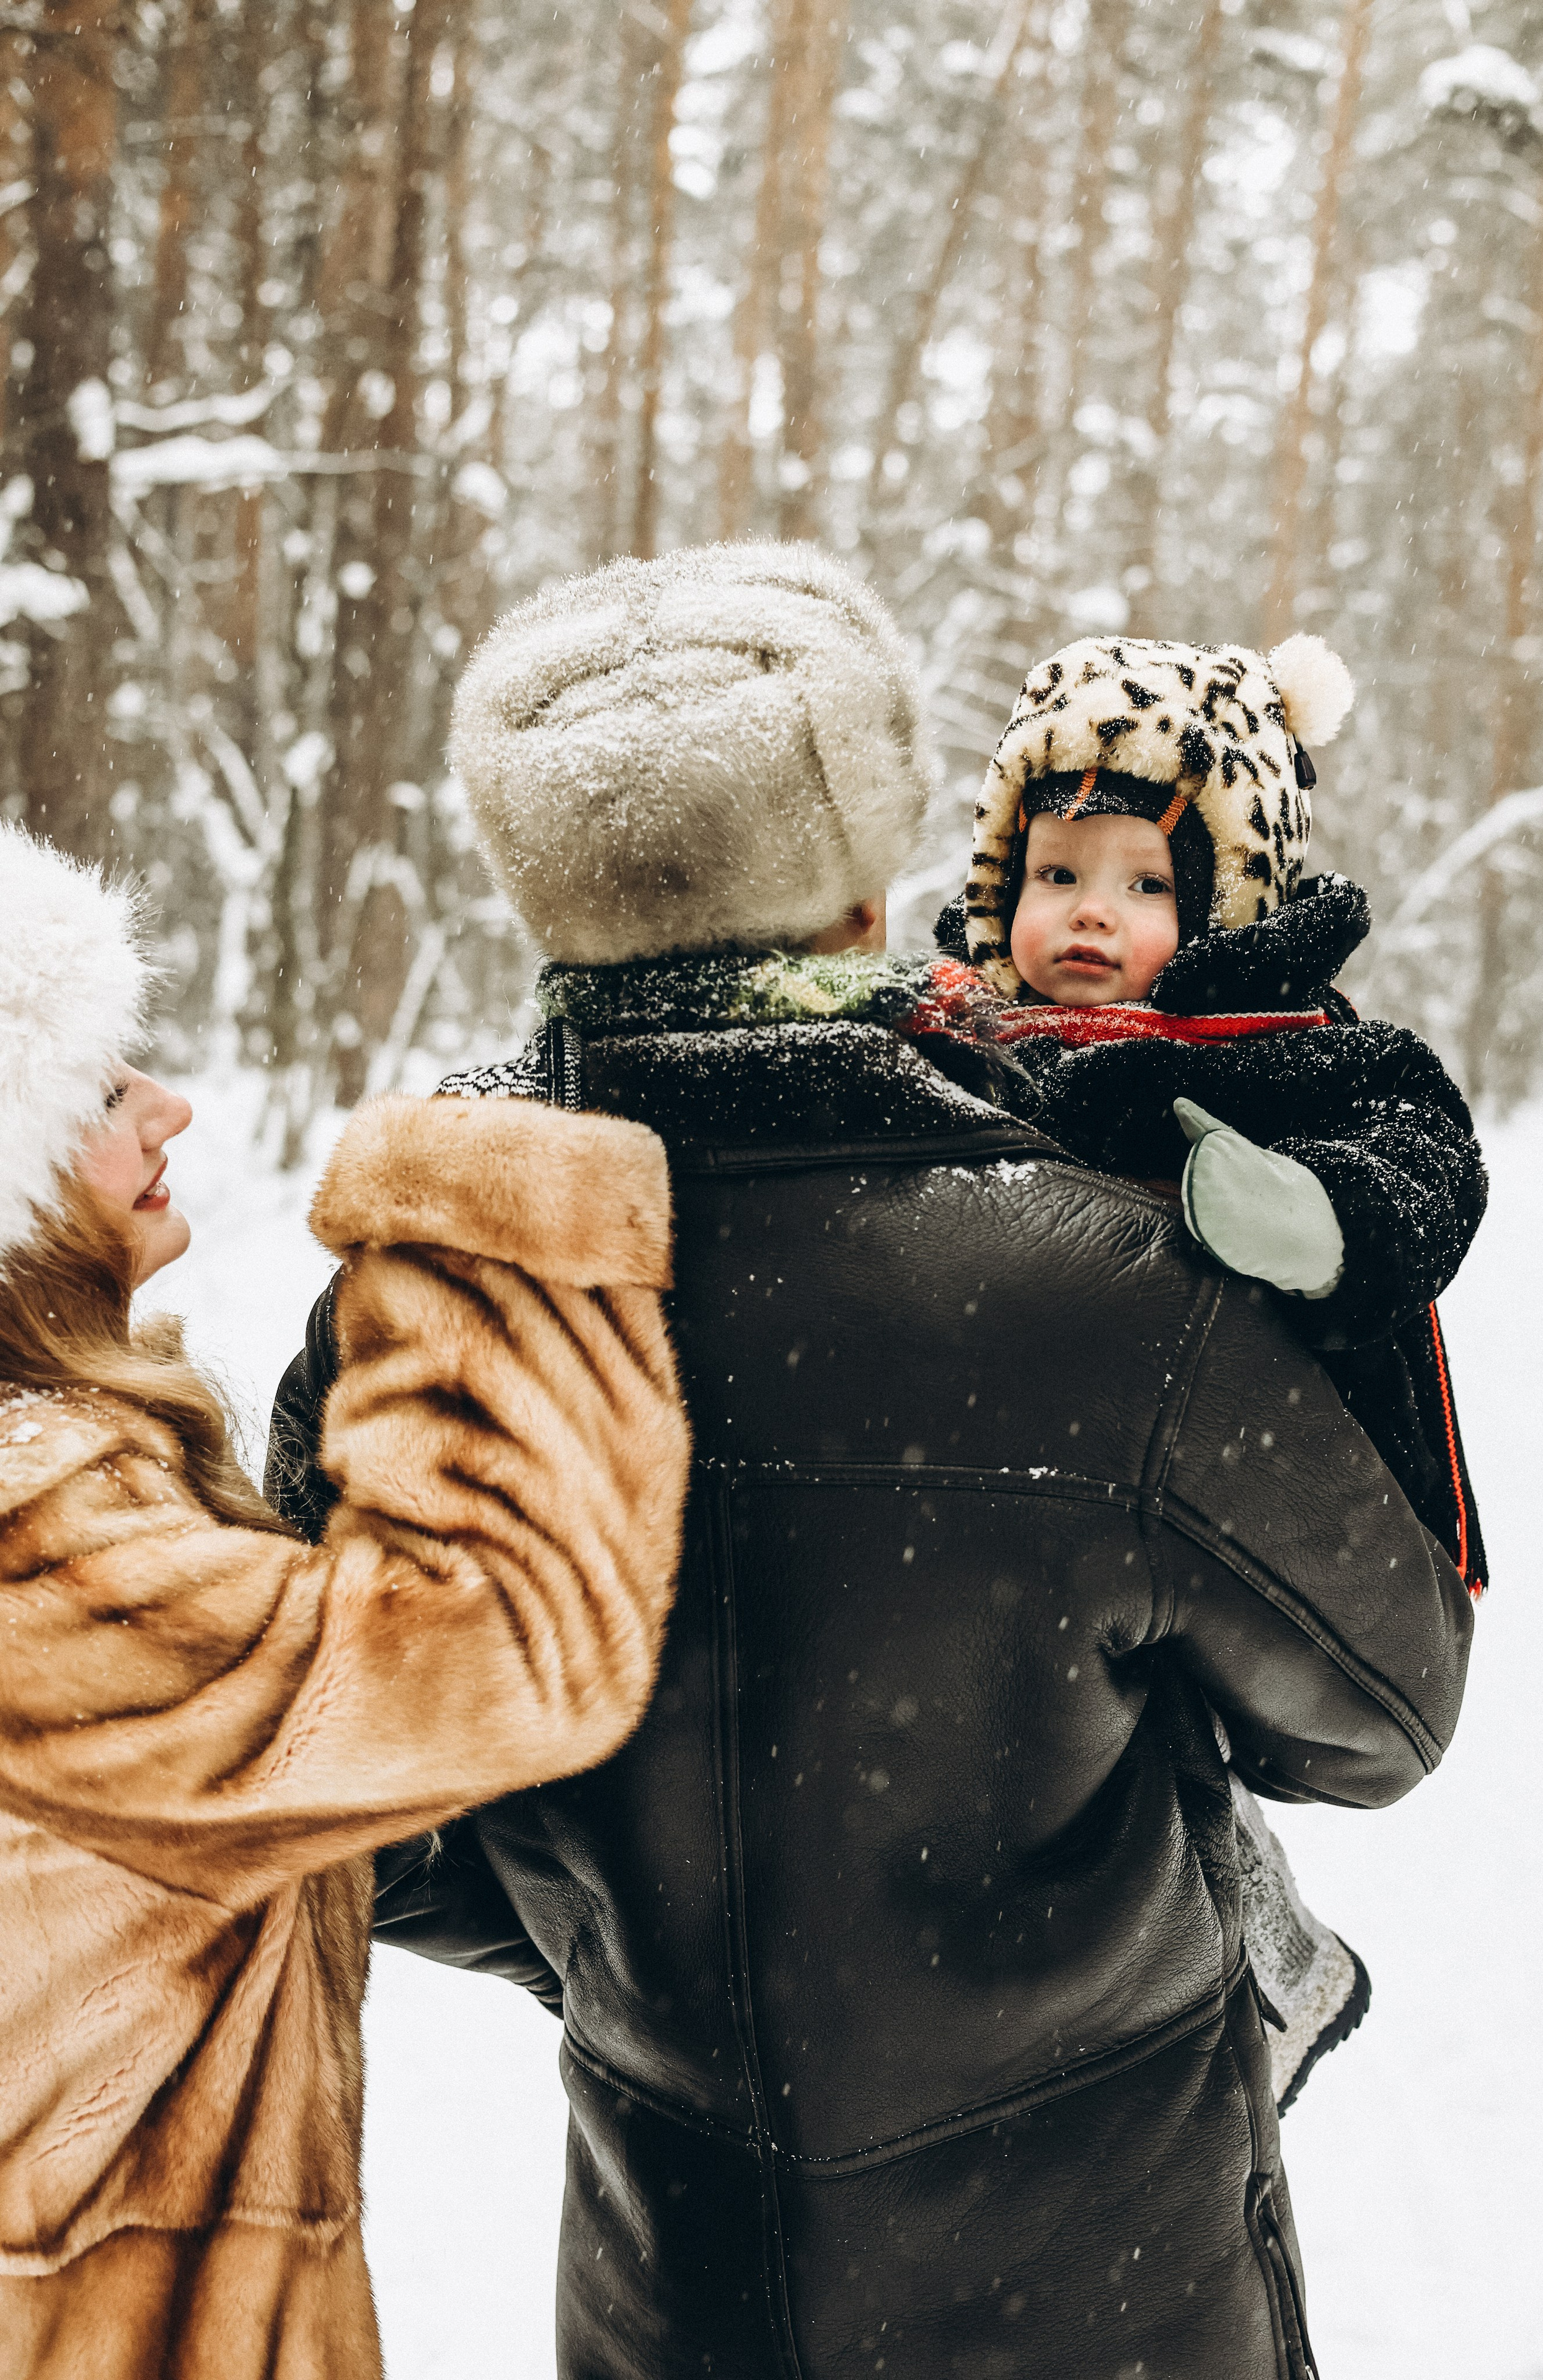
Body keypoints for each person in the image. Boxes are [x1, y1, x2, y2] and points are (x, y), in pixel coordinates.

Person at [270, 543, 1475, 2380]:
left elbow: (347, 1805)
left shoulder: (431, 1288)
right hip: (1111, 2278)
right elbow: (1380, 1714)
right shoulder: (1108, 1281)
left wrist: (640, 1955)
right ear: (861, 881)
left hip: (675, 2284)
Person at [0, 821, 689, 2379]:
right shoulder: (38, 1542)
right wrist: (496, 1222)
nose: (170, 1104)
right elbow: (505, 1647)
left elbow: (304, 1791)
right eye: (107, 1092)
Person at [921, 630, 1490, 2099]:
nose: (1089, 915)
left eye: (1145, 883)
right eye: (1056, 873)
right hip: (1013, 1487)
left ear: (1227, 897)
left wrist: (1320, 1221)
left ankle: (1267, 1954)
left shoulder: (1286, 1050)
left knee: (1165, 1747)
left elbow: (1424, 1161)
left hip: (1230, 1493)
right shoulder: (951, 1038)